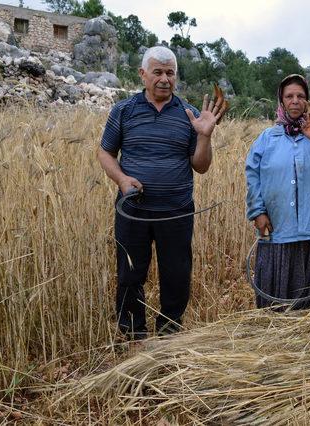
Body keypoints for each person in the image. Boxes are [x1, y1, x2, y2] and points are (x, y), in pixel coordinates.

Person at [98, 46, 225, 339]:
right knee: (130, 274)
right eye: (157, 72)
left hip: (177, 211)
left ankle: (169, 335)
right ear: (143, 75)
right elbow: (105, 153)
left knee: (176, 275)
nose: (164, 79)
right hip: (133, 211)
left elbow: (201, 166)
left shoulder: (190, 114)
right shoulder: (124, 110)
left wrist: (204, 136)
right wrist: (121, 179)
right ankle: (133, 337)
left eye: (170, 73)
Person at [245, 74, 310, 309]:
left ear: (308, 101)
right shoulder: (267, 139)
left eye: (301, 96)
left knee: (305, 300)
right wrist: (257, 212)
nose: (295, 101)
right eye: (289, 96)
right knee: (273, 299)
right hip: (277, 228)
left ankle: (304, 341)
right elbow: (253, 176)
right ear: (281, 101)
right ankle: (273, 341)